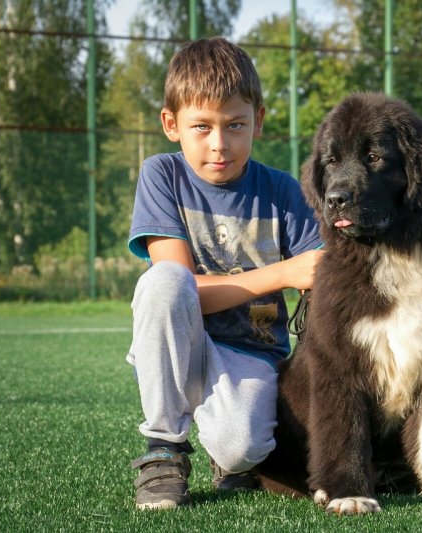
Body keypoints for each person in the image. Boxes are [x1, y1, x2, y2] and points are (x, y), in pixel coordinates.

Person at [126, 37, 323, 510]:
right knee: (163, 282)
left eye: (235, 125)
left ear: (258, 120)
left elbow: (319, 275)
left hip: (251, 348)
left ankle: (225, 456)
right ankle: (164, 448)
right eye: (202, 126)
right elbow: (182, 286)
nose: (219, 144)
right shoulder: (162, 175)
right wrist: (283, 273)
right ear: (171, 125)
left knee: (244, 450)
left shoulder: (283, 190)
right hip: (181, 344)